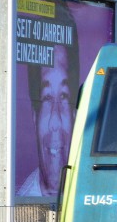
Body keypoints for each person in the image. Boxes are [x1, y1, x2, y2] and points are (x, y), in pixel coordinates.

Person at [17, 44, 78, 197]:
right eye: (47, 98)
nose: (55, 123)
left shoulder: (97, 195)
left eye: (63, 96)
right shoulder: (23, 204)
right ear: (34, 117)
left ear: (75, 113)